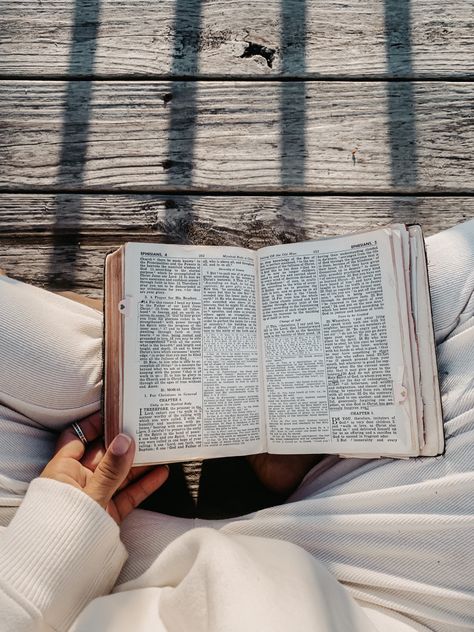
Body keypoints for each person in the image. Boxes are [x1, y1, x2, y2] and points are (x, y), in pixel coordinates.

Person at [0, 220, 473, 631]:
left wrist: (58, 534)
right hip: (376, 602)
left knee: (84, 359)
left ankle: (114, 336)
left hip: (47, 564)